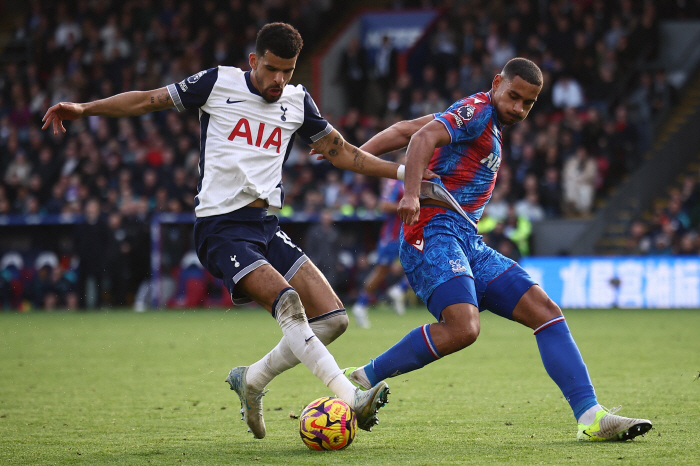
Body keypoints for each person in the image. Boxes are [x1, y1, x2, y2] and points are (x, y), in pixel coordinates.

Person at [42, 23, 436, 439]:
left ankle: (252, 380)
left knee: (334, 319)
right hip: (221, 228)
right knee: (288, 304)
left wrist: (405, 173)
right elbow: (147, 100)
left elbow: (345, 154)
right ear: (253, 61)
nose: (279, 80)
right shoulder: (218, 83)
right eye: (271, 69)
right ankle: (350, 396)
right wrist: (86, 108)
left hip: (266, 227)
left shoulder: (298, 102)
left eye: (288, 71)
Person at [341, 58, 651, 442]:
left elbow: (407, 128)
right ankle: (365, 378)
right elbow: (420, 140)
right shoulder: (477, 111)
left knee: (546, 312)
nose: (518, 108)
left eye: (528, 103)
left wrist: (351, 155)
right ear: (497, 83)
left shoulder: (486, 121)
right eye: (514, 96)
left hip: (467, 240)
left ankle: (591, 416)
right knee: (464, 327)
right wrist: (408, 193)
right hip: (433, 230)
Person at [352, 152, 410, 328]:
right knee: (381, 271)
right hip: (392, 234)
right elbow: (384, 206)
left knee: (426, 261)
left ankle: (399, 289)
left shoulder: (413, 181)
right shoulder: (394, 182)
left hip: (408, 232)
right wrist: (408, 205)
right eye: (405, 158)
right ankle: (360, 305)